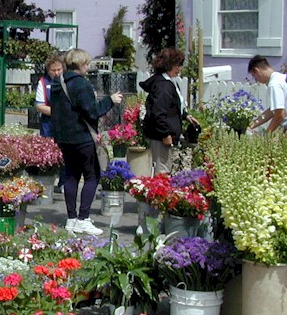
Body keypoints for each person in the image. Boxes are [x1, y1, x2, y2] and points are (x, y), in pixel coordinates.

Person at [50, 48, 123, 236]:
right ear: (81, 65)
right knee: (92, 176)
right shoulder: (81, 85)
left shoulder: (58, 82)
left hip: (64, 138)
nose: (88, 67)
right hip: (82, 137)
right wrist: (110, 100)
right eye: (87, 64)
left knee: (71, 176)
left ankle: (71, 219)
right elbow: (92, 111)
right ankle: (83, 219)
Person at [140, 47, 199, 175]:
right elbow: (159, 112)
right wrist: (165, 134)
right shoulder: (163, 86)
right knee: (163, 172)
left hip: (164, 134)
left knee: (165, 169)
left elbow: (172, 106)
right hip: (162, 136)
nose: (179, 69)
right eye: (178, 65)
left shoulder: (168, 82)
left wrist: (185, 115)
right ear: (169, 65)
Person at [34, 53, 67, 191]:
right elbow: (40, 106)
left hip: (66, 124)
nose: (56, 72)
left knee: (65, 152)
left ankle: (64, 182)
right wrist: (57, 112)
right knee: (48, 152)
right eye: (53, 70)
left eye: (59, 69)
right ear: (48, 70)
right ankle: (47, 181)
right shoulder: (43, 82)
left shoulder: (68, 82)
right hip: (49, 124)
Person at [247, 55, 287, 132]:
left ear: (257, 71)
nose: (255, 79)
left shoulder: (274, 84)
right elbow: (273, 110)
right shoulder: (281, 77)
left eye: (254, 76)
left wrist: (267, 134)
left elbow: (279, 115)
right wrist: (251, 125)